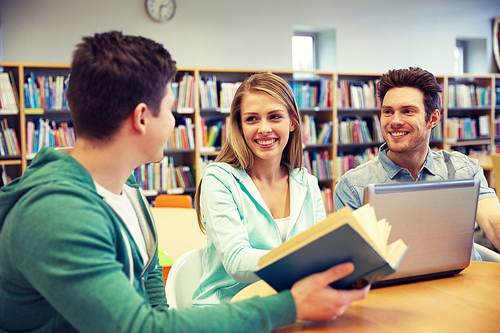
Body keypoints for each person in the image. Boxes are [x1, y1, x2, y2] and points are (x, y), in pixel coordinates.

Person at [0, 31, 369, 333]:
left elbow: (152, 294)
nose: (176, 121)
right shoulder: (54, 214)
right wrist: (289, 306)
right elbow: (138, 328)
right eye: (172, 107)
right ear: (142, 118)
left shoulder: (128, 194)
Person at [191, 73, 343, 306]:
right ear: (239, 126)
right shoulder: (220, 179)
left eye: (274, 117)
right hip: (228, 310)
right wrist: (305, 260)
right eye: (252, 119)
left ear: (292, 122)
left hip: (290, 305)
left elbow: (320, 251)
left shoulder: (307, 183)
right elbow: (236, 262)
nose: (264, 128)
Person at [334, 67, 500, 259]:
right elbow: (358, 262)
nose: (395, 121)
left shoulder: (463, 169)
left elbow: (492, 222)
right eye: (388, 111)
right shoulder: (353, 187)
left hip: (466, 283)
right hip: (397, 288)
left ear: (433, 119)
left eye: (407, 111)